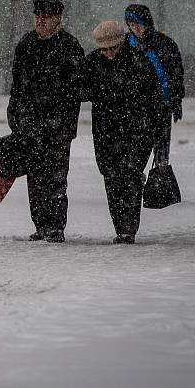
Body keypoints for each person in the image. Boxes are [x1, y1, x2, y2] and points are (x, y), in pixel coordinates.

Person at [6, 0, 84, 243]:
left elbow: (75, 92)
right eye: (37, 15)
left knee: (57, 178)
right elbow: (17, 85)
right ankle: (41, 224)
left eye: (46, 16)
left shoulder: (69, 46)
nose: (40, 20)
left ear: (58, 19)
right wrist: (15, 115)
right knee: (35, 178)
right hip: (30, 124)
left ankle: (56, 226)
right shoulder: (26, 44)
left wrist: (65, 123)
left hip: (57, 126)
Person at [80, 21, 163, 244]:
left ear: (121, 43)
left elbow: (154, 98)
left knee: (130, 176)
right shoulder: (92, 62)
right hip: (106, 131)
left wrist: (156, 130)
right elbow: (80, 90)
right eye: (103, 50)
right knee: (111, 179)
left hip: (137, 129)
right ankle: (120, 227)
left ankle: (128, 230)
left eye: (113, 48)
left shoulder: (140, 60)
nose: (108, 54)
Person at [123, 4, 184, 165]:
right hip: (135, 110)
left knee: (161, 159)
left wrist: (176, 100)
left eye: (137, 22)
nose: (133, 27)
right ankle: (136, 186)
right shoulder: (126, 45)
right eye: (130, 23)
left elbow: (176, 75)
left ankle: (159, 186)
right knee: (135, 159)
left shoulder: (165, 44)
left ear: (146, 22)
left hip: (160, 109)